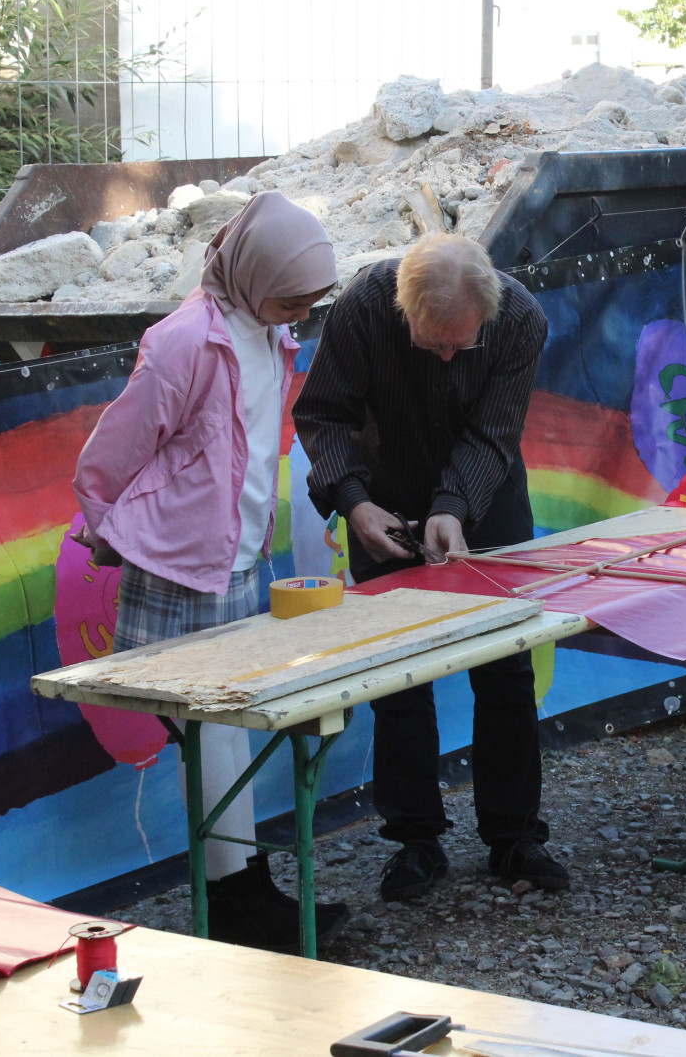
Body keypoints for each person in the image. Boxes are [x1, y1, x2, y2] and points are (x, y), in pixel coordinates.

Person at [72, 191, 348, 951]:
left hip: (235, 561)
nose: (301, 313)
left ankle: (246, 887)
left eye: (310, 301)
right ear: (252, 271)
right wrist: (105, 523)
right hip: (178, 567)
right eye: (292, 298)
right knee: (208, 731)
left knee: (231, 726)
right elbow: (116, 445)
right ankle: (231, 899)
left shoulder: (269, 329)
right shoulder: (184, 341)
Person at [292, 233, 565, 898]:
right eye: (432, 343)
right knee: (398, 673)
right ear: (403, 307)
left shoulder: (520, 319)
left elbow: (493, 433)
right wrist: (353, 503)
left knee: (506, 666)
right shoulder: (363, 308)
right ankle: (416, 838)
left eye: (460, 346)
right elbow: (322, 414)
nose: (446, 356)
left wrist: (452, 506)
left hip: (487, 496)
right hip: (379, 499)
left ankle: (514, 835)